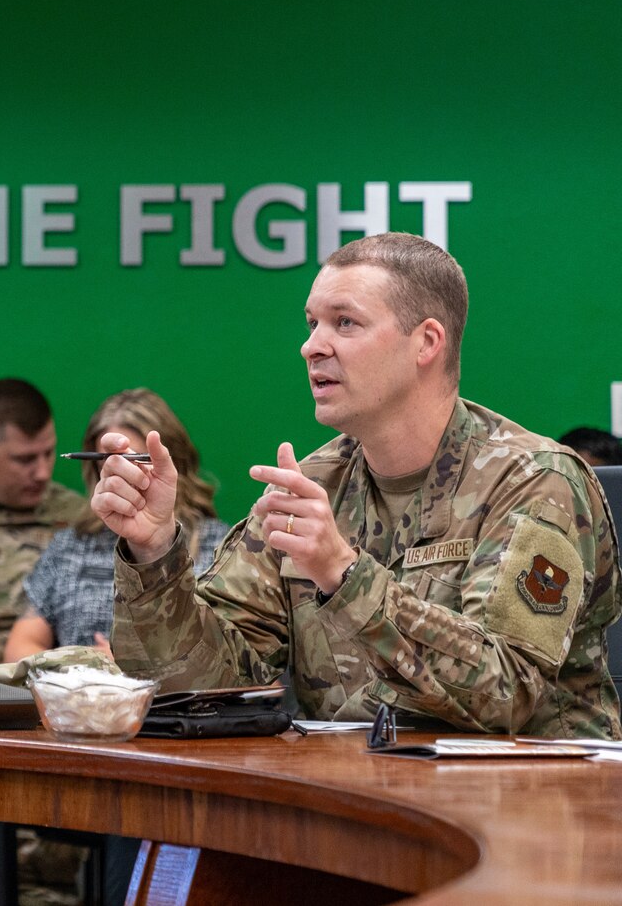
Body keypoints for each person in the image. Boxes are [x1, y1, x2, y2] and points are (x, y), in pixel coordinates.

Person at [96, 233, 622, 736]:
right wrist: (154, 552)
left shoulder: (533, 480)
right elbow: (203, 690)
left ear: (427, 343)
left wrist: (344, 577)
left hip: (531, 806)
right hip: (357, 799)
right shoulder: (312, 485)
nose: (312, 347)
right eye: (311, 323)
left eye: (344, 323)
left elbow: (509, 692)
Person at [7, 390, 228, 661]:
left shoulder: (219, 550)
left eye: (134, 461)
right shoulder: (71, 546)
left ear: (172, 462)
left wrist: (129, 663)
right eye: (108, 461)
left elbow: (250, 672)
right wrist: (83, 662)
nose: (120, 473)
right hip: (81, 695)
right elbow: (19, 649)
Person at [0, 378, 87, 668]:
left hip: (48, 689)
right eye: (25, 459)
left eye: (48, 453)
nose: (43, 472)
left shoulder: (80, 519)